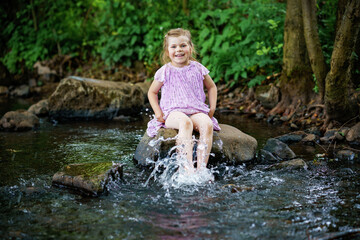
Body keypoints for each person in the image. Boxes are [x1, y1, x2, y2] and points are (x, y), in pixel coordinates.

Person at [147, 28, 221, 173]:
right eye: (173, 47)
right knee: (185, 123)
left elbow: (212, 87)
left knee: (207, 124)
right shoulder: (165, 71)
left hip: (196, 110)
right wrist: (158, 112)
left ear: (190, 48)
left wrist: (212, 108)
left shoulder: (198, 68)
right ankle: (187, 169)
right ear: (167, 51)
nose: (178, 50)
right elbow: (152, 92)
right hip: (173, 113)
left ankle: (201, 170)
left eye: (183, 45)